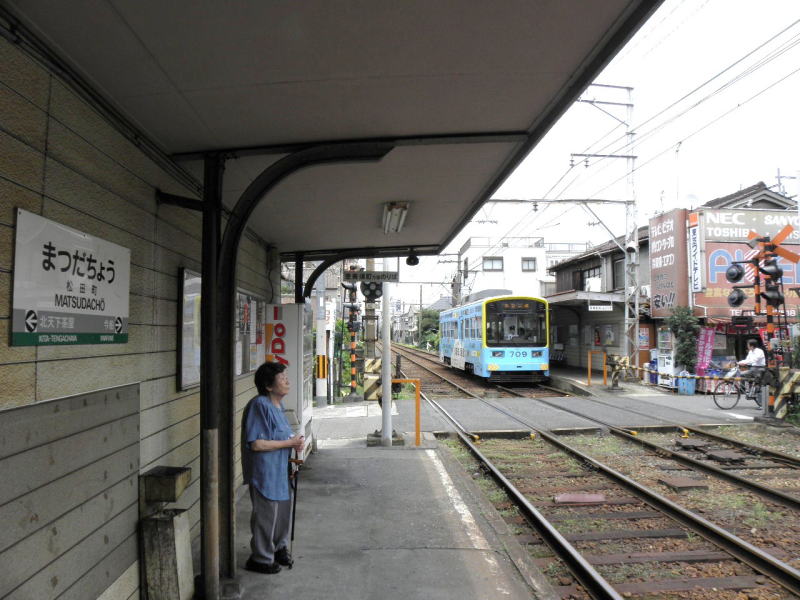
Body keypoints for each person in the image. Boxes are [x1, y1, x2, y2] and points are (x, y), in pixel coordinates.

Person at [241, 362, 305, 574]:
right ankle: (260, 558)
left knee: (282, 513)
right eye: (282, 377)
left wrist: (295, 441)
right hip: (264, 472)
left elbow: (282, 436)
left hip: (280, 470)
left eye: (286, 376)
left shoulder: (278, 406)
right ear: (269, 386)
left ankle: (278, 548)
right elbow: (257, 444)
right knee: (266, 516)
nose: (287, 380)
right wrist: (290, 443)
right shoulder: (260, 405)